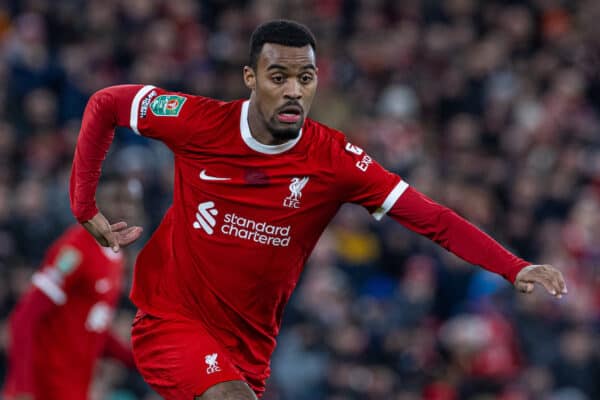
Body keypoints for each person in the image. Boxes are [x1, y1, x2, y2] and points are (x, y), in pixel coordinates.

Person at [69, 20, 567, 400]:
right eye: (278, 76)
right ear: (250, 77)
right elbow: (107, 103)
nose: (293, 91)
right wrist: (84, 204)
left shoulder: (335, 161)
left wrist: (514, 266)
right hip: (170, 321)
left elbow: (431, 218)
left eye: (305, 78)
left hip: (249, 347)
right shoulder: (198, 123)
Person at [3, 175, 142, 400]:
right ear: (96, 203)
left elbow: (91, 327)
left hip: (74, 389)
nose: (125, 209)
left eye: (130, 201)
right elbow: (23, 319)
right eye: (116, 200)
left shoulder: (115, 258)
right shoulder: (75, 249)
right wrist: (22, 388)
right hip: (43, 388)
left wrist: (138, 361)